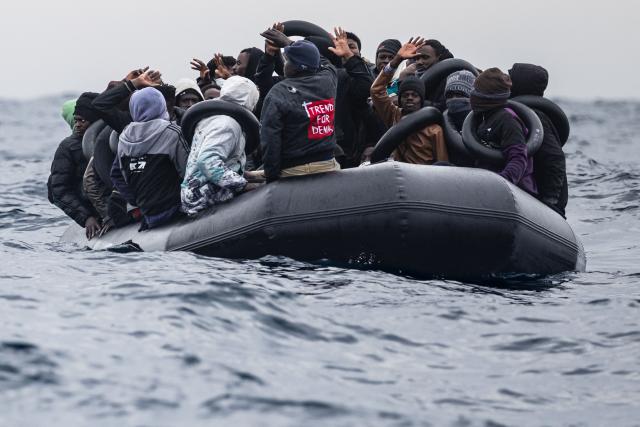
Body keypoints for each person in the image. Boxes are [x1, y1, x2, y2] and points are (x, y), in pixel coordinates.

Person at [259, 29, 342, 181]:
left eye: (288, 60)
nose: (284, 64)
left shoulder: (279, 92)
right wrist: (289, 43)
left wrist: (271, 177)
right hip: (328, 164)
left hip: (293, 170)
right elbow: (322, 61)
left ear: (296, 66)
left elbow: (271, 138)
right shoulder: (328, 80)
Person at [111, 87, 189, 230]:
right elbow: (190, 171)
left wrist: (136, 200)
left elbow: (117, 175)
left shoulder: (123, 138)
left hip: (148, 213)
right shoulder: (172, 132)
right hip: (176, 209)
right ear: (162, 105)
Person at [181, 76, 260, 216]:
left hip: (194, 192)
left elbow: (225, 162)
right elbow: (207, 161)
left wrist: (252, 175)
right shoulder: (227, 125)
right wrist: (242, 185)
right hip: (203, 196)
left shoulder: (213, 118)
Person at [370, 38, 449, 165]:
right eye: (406, 95)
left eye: (415, 95)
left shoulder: (434, 130)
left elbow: (443, 165)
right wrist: (396, 60)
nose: (410, 98)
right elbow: (376, 90)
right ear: (399, 99)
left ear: (422, 99)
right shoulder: (394, 115)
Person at [509, 63, 568, 216]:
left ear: (520, 84)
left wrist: (550, 201)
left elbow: (554, 158)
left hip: (544, 203)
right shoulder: (516, 113)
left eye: (510, 79)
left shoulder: (535, 117)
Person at [470, 68, 537, 194]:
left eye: (477, 91)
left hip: (517, 191)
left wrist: (500, 183)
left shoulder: (508, 120)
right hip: (485, 180)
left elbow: (519, 159)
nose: (472, 94)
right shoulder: (483, 117)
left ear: (487, 96)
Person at [48, 92, 102, 239]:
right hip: (91, 209)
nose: (77, 124)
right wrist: (87, 218)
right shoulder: (67, 147)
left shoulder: (112, 137)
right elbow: (58, 190)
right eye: (76, 120)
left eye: (82, 120)